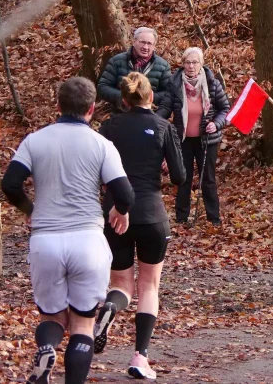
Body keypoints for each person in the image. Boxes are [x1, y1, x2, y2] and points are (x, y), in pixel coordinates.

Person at [0, 77, 135, 384]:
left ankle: (47, 348)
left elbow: (10, 184)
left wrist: (30, 211)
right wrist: (120, 211)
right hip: (87, 240)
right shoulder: (102, 145)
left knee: (51, 317)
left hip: (46, 240)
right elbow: (125, 194)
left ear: (57, 106)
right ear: (91, 109)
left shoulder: (35, 140)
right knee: (83, 324)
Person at [92, 73, 186, 380]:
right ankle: (140, 356)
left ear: (123, 100)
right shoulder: (163, 127)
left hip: (115, 213)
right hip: (150, 214)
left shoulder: (109, 127)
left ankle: (110, 308)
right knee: (149, 285)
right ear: (151, 98)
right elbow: (179, 176)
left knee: (121, 285)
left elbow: (98, 171)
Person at [170, 47, 230, 226]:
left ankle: (214, 218)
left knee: (208, 178)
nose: (191, 66)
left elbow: (224, 109)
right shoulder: (174, 83)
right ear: (182, 64)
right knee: (183, 177)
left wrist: (216, 124)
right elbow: (166, 106)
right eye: (187, 62)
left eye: (195, 62)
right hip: (184, 139)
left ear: (201, 64)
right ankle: (181, 217)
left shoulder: (212, 83)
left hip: (207, 140)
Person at [97, 27, 173, 118]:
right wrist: (125, 97)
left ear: (154, 45)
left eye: (149, 43)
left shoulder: (163, 66)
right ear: (134, 41)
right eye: (142, 42)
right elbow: (102, 87)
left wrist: (148, 98)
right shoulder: (117, 61)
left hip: (149, 118)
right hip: (121, 116)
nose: (145, 47)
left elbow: (168, 93)